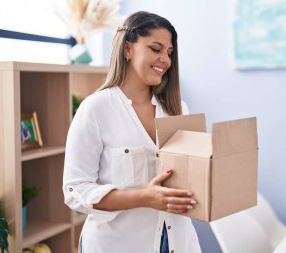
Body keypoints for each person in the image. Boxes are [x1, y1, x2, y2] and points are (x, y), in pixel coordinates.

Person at [63, 11, 202, 253]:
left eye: (169, 53)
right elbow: (75, 190)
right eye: (155, 49)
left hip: (177, 241)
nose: (165, 60)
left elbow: (191, 176)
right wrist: (144, 197)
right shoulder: (96, 108)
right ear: (128, 49)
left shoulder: (178, 108)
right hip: (118, 244)